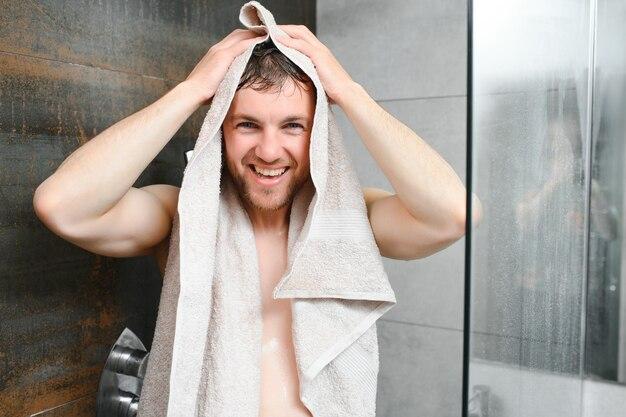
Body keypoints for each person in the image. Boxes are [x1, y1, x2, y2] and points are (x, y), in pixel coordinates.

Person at [33, 25, 481, 416]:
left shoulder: (351, 221)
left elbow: (453, 213)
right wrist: (192, 89)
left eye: (293, 126)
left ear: (319, 132)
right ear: (219, 131)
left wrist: (347, 91)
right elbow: (64, 207)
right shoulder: (182, 218)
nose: (268, 151)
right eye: (247, 124)